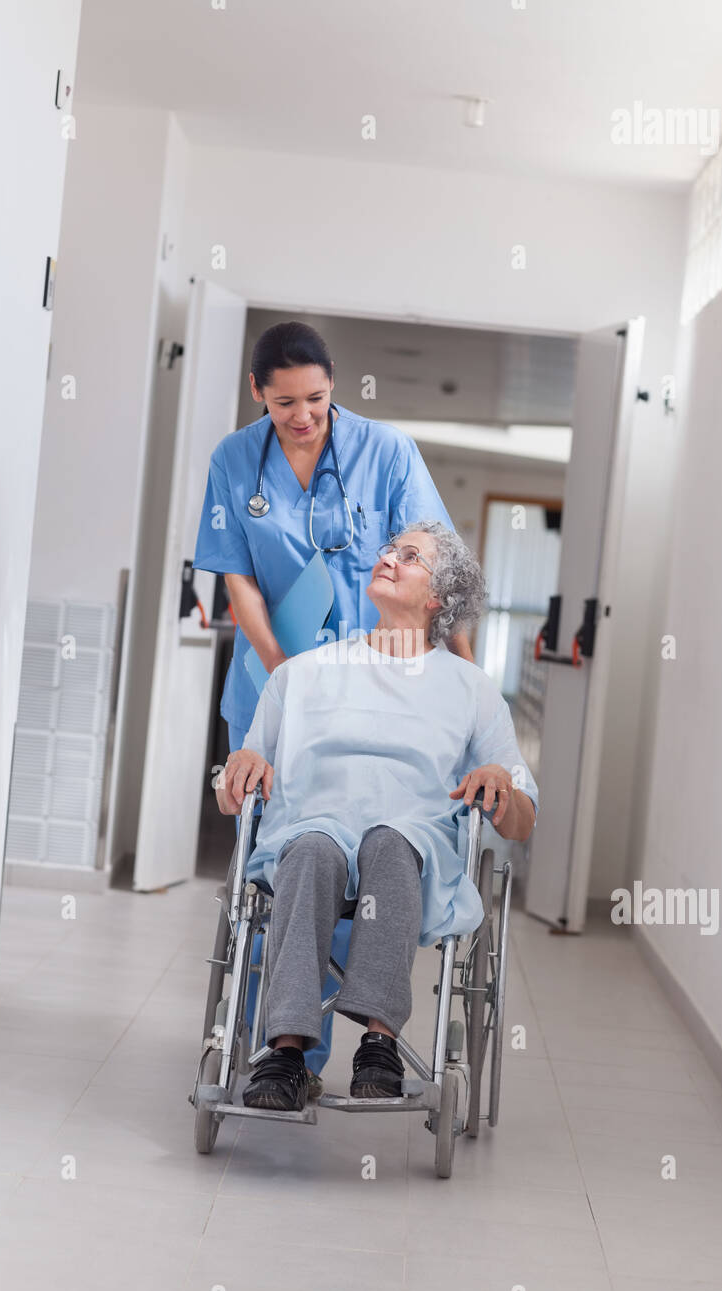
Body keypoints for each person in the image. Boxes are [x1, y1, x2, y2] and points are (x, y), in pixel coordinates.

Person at [193, 321, 472, 1092]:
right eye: (285, 403)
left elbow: (431, 563)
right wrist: (292, 676)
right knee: (290, 857)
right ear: (259, 394)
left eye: (316, 398)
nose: (304, 415)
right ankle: (283, 1053)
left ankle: (357, 1035)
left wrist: (463, 677)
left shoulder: (387, 453)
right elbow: (237, 579)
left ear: (334, 385)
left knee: (371, 845)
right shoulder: (233, 460)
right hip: (277, 690)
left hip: (381, 692)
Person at [215, 522, 539, 1111]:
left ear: (439, 596)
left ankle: (379, 1045)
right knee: (313, 848)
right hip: (312, 834)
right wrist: (239, 767)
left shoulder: (471, 691)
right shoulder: (302, 675)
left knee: (391, 845)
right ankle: (285, 1054)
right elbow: (233, 794)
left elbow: (520, 821)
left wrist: (500, 784)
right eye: (389, 549)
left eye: (409, 556)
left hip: (411, 850)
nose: (388, 557)